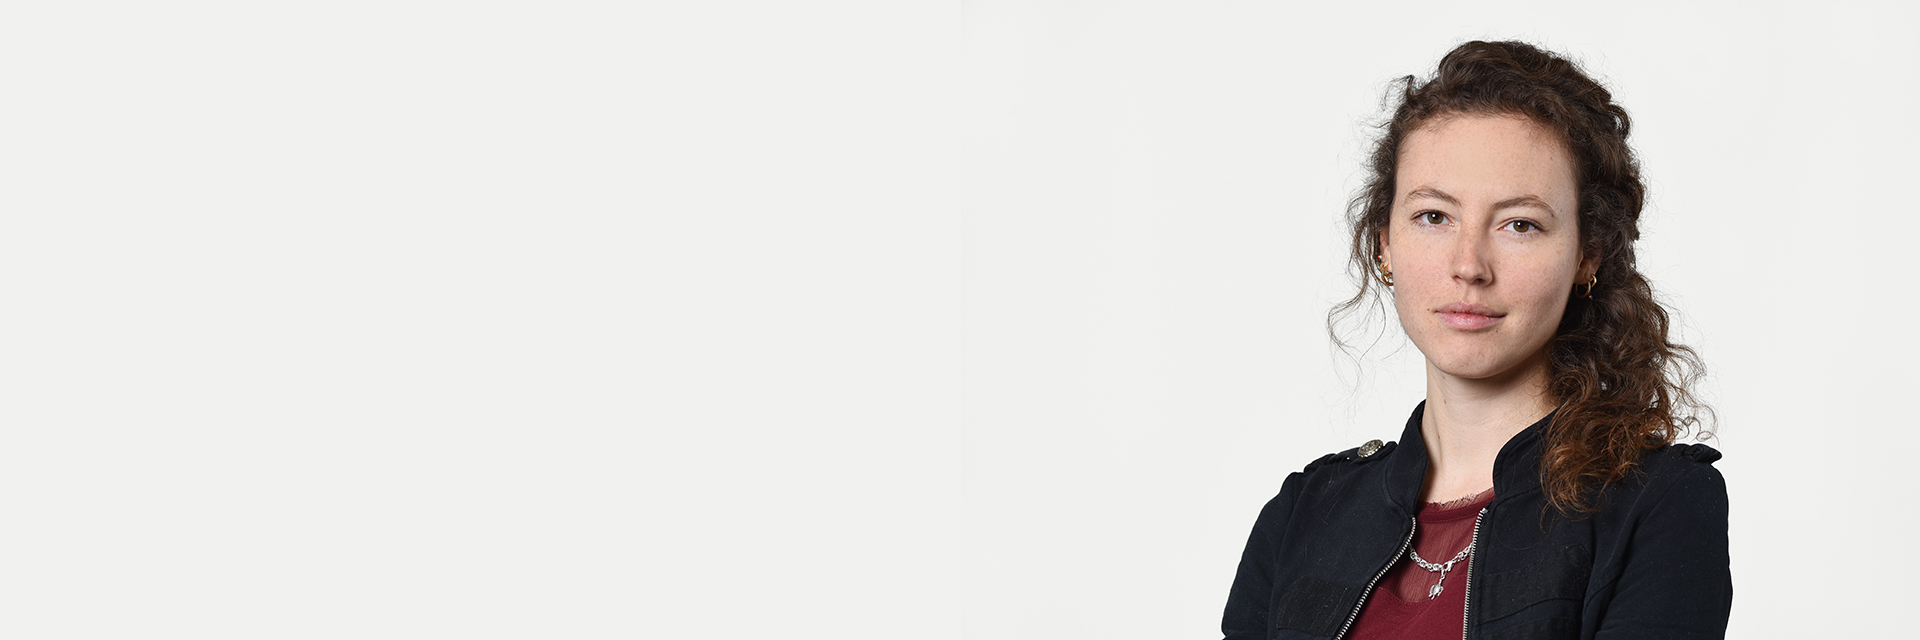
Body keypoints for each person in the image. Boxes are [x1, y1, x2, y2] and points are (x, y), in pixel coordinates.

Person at [1221, 41, 1730, 640]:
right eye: (1434, 216)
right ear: (1384, 244)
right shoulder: (1303, 514)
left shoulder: (1659, 504)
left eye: (1520, 224)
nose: (1468, 266)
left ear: (1586, 254)